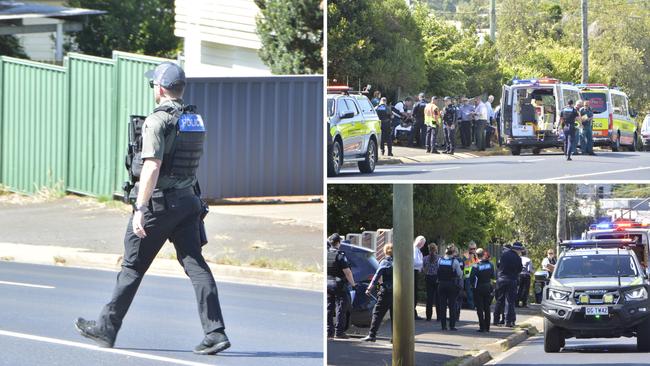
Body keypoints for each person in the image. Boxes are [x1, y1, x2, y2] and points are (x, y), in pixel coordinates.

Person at [74, 62, 230, 355]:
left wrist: (140, 207)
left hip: (160, 204)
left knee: (132, 267)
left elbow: (152, 167)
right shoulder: (193, 118)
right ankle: (215, 332)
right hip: (188, 202)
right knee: (196, 265)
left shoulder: (156, 122)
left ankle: (106, 328)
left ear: (159, 89)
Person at [326, 233, 357, 339]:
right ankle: (339, 332)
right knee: (341, 308)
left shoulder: (326, 254)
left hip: (328, 284)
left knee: (329, 308)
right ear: (338, 243)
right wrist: (353, 285)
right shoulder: (340, 255)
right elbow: (348, 272)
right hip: (338, 284)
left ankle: (328, 332)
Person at [362, 244, 394, 342]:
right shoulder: (399, 262)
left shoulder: (384, 262)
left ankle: (372, 335)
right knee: (395, 316)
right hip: (398, 292)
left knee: (377, 313)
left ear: (385, 251)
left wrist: (369, 288)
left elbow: (377, 277)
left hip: (386, 291)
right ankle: (395, 338)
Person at [494, 241, 524, 328]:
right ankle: (508, 321)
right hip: (511, 280)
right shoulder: (518, 258)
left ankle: (496, 320)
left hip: (501, 279)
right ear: (518, 250)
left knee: (499, 300)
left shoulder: (504, 255)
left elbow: (499, 265)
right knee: (510, 302)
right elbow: (519, 269)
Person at [437, 245, 463, 331]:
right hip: (451, 285)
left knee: (442, 306)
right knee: (452, 305)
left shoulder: (440, 260)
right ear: (453, 252)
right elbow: (459, 274)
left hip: (441, 284)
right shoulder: (454, 261)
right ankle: (452, 325)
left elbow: (438, 270)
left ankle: (443, 326)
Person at [470, 248, 495, 332]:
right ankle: (487, 327)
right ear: (483, 254)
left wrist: (472, 285)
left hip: (478, 288)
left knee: (480, 308)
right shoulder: (490, 264)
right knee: (487, 307)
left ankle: (482, 326)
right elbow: (493, 276)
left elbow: (471, 277)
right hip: (487, 287)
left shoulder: (476, 265)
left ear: (476, 255)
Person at [423, 243, 440, 321]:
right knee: (438, 298)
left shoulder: (425, 258)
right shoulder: (439, 258)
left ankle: (428, 316)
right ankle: (439, 316)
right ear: (436, 249)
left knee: (429, 298)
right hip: (437, 278)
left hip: (428, 278)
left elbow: (423, 269)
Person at [462, 242, 479, 310]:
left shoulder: (477, 255)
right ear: (468, 249)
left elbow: (478, 264)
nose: (473, 250)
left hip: (475, 275)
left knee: (475, 291)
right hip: (468, 275)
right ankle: (471, 306)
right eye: (471, 249)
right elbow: (465, 264)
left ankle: (476, 304)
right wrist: (470, 258)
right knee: (469, 291)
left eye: (474, 249)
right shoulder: (466, 255)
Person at [414, 236, 426, 320]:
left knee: (415, 292)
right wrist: (423, 263)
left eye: (423, 243)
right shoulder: (414, 250)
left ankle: (413, 312)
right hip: (413, 271)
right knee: (413, 293)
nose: (422, 244)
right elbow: (415, 262)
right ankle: (412, 313)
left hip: (416, 272)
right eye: (421, 242)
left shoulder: (418, 250)